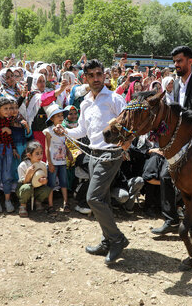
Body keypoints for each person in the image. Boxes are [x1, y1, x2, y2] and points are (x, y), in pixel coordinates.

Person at [60, 59, 128, 265]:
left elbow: (129, 125)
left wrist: (127, 144)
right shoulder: (86, 102)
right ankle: (107, 240)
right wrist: (64, 131)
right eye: (92, 75)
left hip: (111, 154)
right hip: (93, 153)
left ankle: (117, 240)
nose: (97, 78)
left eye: (100, 74)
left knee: (93, 198)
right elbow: (81, 131)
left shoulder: (115, 99)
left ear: (104, 75)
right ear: (85, 78)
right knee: (103, 199)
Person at [151, 46, 192, 238]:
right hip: (179, 140)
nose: (176, 65)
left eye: (180, 61)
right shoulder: (176, 84)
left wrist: (179, 112)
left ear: (190, 62)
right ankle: (171, 219)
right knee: (166, 175)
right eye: (175, 61)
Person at [44, 103, 70, 215]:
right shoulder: (48, 131)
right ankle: (50, 205)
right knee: (51, 184)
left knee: (64, 182)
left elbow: (64, 143)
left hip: (62, 160)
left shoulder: (63, 130)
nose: (60, 117)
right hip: (53, 162)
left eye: (61, 115)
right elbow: (47, 147)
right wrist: (49, 162)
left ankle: (66, 203)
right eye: (57, 116)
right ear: (52, 118)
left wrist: (69, 153)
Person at [16, 141, 51, 217]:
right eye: (37, 153)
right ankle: (23, 205)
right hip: (24, 189)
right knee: (27, 188)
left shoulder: (43, 165)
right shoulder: (23, 165)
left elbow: (45, 178)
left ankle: (38, 202)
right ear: (29, 155)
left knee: (47, 189)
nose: (40, 155)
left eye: (41, 153)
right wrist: (28, 174)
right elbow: (23, 183)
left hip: (37, 188)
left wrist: (44, 181)